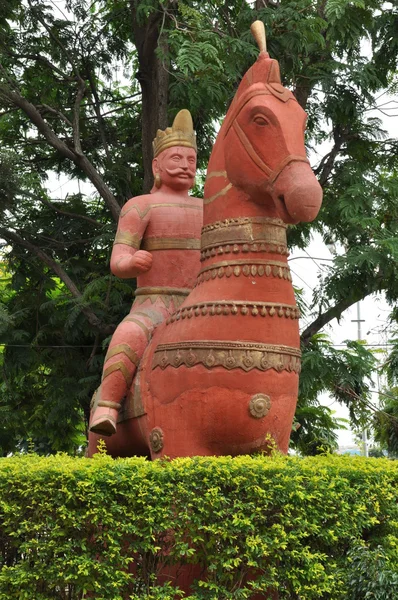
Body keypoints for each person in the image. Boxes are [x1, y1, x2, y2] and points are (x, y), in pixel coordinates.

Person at [89, 110, 202, 436]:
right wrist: (131, 261)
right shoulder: (140, 206)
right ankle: (108, 404)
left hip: (200, 304)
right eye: (176, 158)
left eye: (192, 160)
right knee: (130, 334)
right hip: (154, 303)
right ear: (156, 166)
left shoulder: (208, 208)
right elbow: (118, 259)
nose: (185, 165)